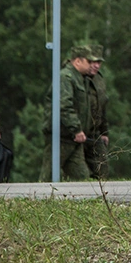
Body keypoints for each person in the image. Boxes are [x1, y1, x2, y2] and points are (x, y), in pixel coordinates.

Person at [45, 45, 93, 180]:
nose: (92, 65)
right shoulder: (65, 77)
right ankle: (39, 200)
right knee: (48, 176)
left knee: (83, 178)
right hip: (60, 136)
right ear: (78, 61)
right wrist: (76, 129)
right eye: (89, 61)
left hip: (72, 138)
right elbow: (64, 105)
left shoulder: (80, 78)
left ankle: (85, 200)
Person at [85, 44, 110, 180]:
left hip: (95, 133)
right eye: (92, 61)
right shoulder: (75, 79)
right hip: (78, 133)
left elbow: (103, 107)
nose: (96, 65)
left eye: (98, 62)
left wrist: (104, 132)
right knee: (79, 173)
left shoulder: (99, 80)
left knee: (102, 168)